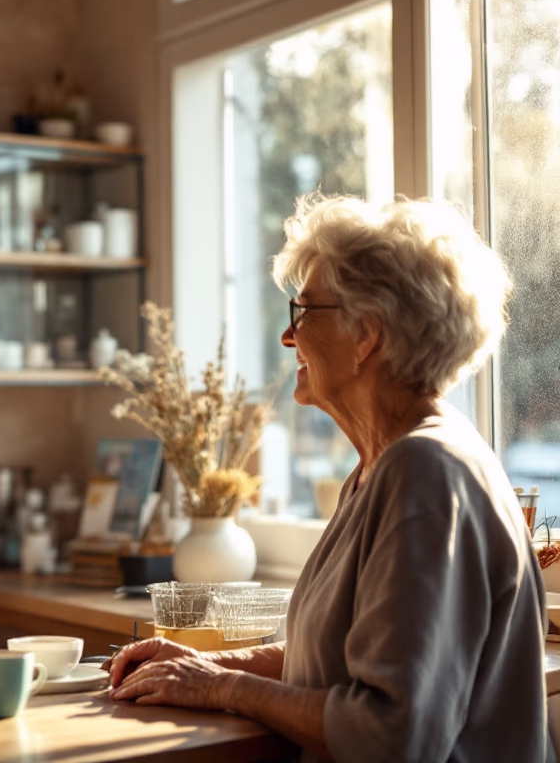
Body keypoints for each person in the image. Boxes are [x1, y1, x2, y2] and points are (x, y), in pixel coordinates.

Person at [105, 195, 546, 762]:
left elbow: (390, 736)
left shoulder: (425, 471)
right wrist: (205, 664)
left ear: (367, 335)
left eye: (305, 312)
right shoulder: (379, 467)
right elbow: (333, 663)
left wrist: (221, 687)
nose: (289, 337)